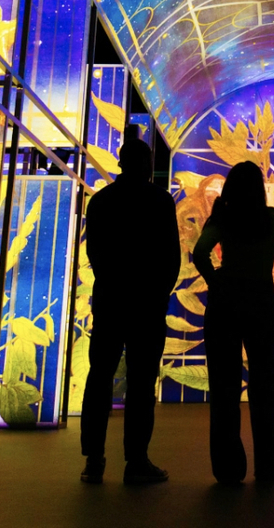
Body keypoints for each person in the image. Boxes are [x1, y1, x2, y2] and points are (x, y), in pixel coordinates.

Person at [80, 138, 180, 485]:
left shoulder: (102, 201)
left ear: (121, 162)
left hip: (110, 301)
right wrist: (158, 293)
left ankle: (94, 459)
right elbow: (171, 257)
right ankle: (136, 460)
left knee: (99, 378)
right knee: (140, 384)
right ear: (147, 164)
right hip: (147, 305)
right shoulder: (160, 201)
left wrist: (112, 284)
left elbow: (95, 253)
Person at [193, 161, 274, 484]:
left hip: (225, 303)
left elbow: (200, 253)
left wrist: (215, 281)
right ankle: (266, 467)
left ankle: (228, 469)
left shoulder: (223, 220)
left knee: (224, 388)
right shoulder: (271, 218)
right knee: (263, 386)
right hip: (260, 301)